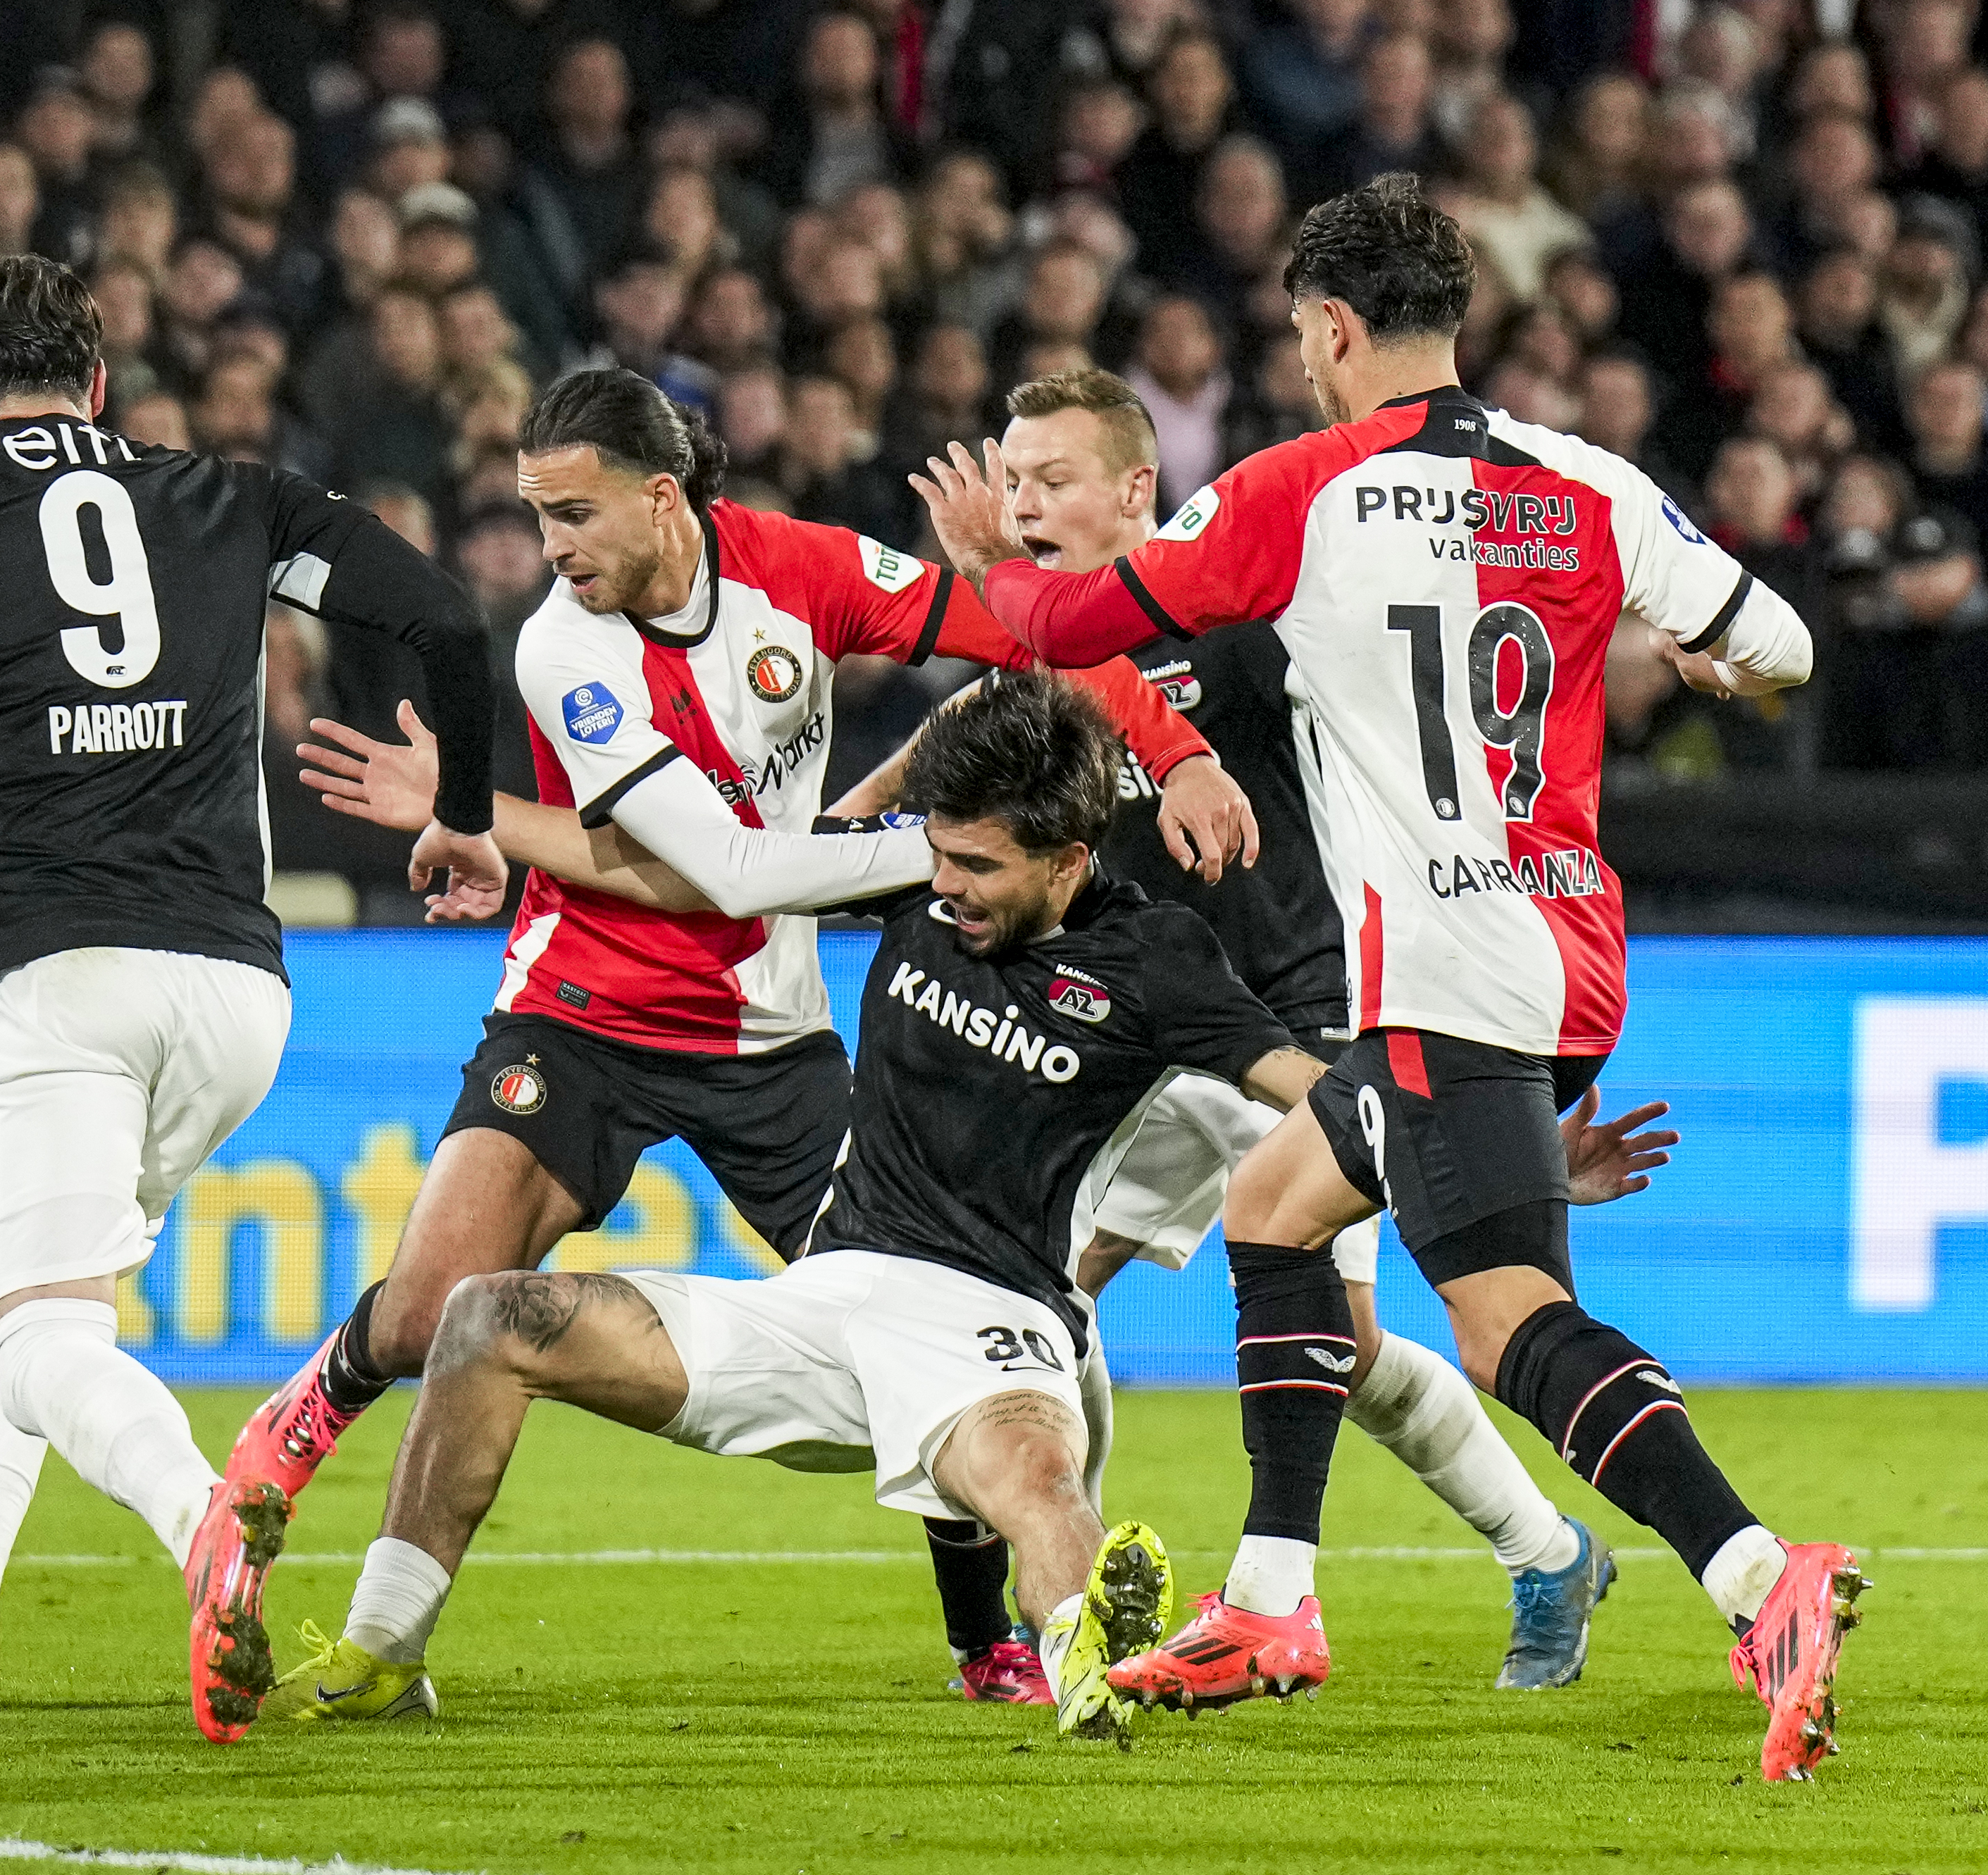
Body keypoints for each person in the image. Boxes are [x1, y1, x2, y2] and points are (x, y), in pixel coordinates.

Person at [907, 175, 1856, 1781]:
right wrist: (1704, 653)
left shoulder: (1294, 488)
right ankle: (1273, 1596)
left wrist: (989, 563)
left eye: (1299, 333)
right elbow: (1784, 651)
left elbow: (1070, 617)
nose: (1301, 356)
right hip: (1565, 938)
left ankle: (1760, 1577)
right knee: (1275, 1209)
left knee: (1502, 1327)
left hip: (1434, 962)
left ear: (1332, 328)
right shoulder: (1589, 484)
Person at [229, 364, 1259, 1709]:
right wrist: (948, 855)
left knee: (947, 1301)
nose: (555, 549)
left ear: (663, 498)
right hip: (585, 1005)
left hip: (766, 1034)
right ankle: (301, 1455)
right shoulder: (560, 647)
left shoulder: (800, 570)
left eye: (577, 515)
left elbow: (1025, 637)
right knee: (437, 1314)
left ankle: (993, 1637)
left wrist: (1170, 750)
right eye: (537, 518)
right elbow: (720, 868)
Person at [263, 671, 1399, 1738]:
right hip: (824, 1295)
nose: (946, 884)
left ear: (1066, 858)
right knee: (484, 1317)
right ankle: (382, 1653)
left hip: (995, 1322)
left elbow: (1313, 1090)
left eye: (979, 865)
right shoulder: (908, 867)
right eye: (940, 853)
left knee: (1037, 1487)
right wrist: (475, 815)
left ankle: (1084, 1666)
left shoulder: (1156, 959)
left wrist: (1487, 1151)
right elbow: (729, 867)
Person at [0, 254, 504, 1757]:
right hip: (238, 992)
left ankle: (209, 1524)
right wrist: (461, 810)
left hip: (59, 980)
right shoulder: (235, 493)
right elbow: (451, 623)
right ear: (101, 385)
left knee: (40, 1334)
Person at [838, 366, 1667, 1691]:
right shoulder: (1048, 637)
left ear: (1132, 488)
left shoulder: (1239, 613)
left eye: (1051, 480)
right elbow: (973, 726)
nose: (1023, 504)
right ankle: (1052, 1608)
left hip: (1296, 1011)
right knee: (1026, 1292)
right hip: (1140, 1036)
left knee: (1311, 1333)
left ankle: (1501, 1557)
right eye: (1010, 480)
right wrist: (842, 825)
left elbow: (1427, 648)